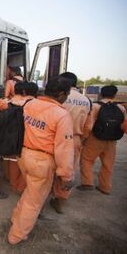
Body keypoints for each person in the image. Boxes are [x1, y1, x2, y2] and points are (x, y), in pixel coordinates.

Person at [8, 77, 74, 245]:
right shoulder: (61, 114)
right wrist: (66, 175)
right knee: (34, 202)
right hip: (42, 161)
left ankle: (16, 218)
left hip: (23, 155)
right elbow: (64, 148)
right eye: (66, 94)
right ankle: (16, 236)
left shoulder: (29, 104)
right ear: (60, 94)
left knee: (29, 192)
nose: (66, 97)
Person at [50, 72, 91, 213]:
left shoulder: (57, 97)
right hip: (74, 138)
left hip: (52, 137)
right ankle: (60, 200)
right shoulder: (86, 100)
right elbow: (88, 127)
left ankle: (45, 194)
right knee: (68, 170)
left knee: (49, 168)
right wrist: (80, 140)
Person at [78, 85, 127, 195]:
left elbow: (89, 125)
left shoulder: (95, 106)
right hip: (112, 141)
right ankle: (105, 187)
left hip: (95, 138)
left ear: (101, 93)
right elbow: (123, 125)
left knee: (87, 159)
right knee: (108, 164)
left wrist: (84, 138)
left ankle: (87, 183)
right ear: (114, 95)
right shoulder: (121, 108)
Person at [0, 81, 38, 194]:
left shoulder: (8, 102)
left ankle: (10, 180)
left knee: (8, 157)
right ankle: (17, 185)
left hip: (8, 133)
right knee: (17, 160)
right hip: (25, 135)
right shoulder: (34, 103)